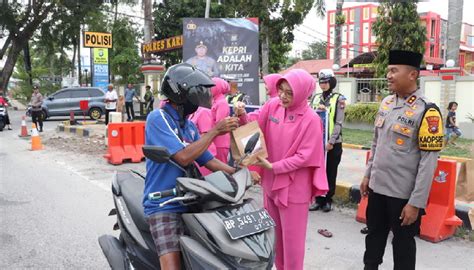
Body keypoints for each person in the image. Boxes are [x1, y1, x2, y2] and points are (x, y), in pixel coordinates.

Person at [143, 63, 252, 270]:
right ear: (182, 94)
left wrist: (238, 173)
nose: (202, 96)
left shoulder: (189, 126)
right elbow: (183, 157)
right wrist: (214, 132)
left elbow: (208, 161)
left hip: (192, 200)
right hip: (164, 203)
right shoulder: (158, 118)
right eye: (198, 91)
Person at [235, 69, 328, 270]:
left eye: (290, 93)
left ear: (303, 93)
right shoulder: (273, 106)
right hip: (271, 183)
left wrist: (274, 166)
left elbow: (305, 156)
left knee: (293, 245)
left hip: (295, 188)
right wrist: (242, 117)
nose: (283, 96)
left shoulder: (311, 119)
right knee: (274, 240)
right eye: (281, 91)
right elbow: (255, 131)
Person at [360, 50, 444, 270]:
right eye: (388, 70)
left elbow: (428, 164)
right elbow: (376, 143)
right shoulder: (386, 103)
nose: (388, 75)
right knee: (374, 238)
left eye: (394, 70)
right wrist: (367, 175)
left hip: (403, 196)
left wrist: (416, 203)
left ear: (413, 74)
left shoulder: (428, 111)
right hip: (377, 189)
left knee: (403, 245)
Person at [309, 69, 346, 212]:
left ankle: (328, 199)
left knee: (330, 171)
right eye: (321, 82)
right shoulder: (316, 98)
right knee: (318, 171)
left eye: (326, 82)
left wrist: (331, 141)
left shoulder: (339, 98)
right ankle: (318, 199)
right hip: (317, 143)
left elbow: (339, 122)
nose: (323, 85)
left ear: (331, 82)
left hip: (332, 144)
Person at [189, 106, 217, 176]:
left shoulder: (204, 112)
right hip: (195, 151)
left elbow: (206, 134)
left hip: (204, 151)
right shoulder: (191, 113)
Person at [210, 77, 231, 163]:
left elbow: (220, 124)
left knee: (220, 170)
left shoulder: (221, 103)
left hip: (220, 142)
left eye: (211, 86)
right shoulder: (216, 101)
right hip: (216, 140)